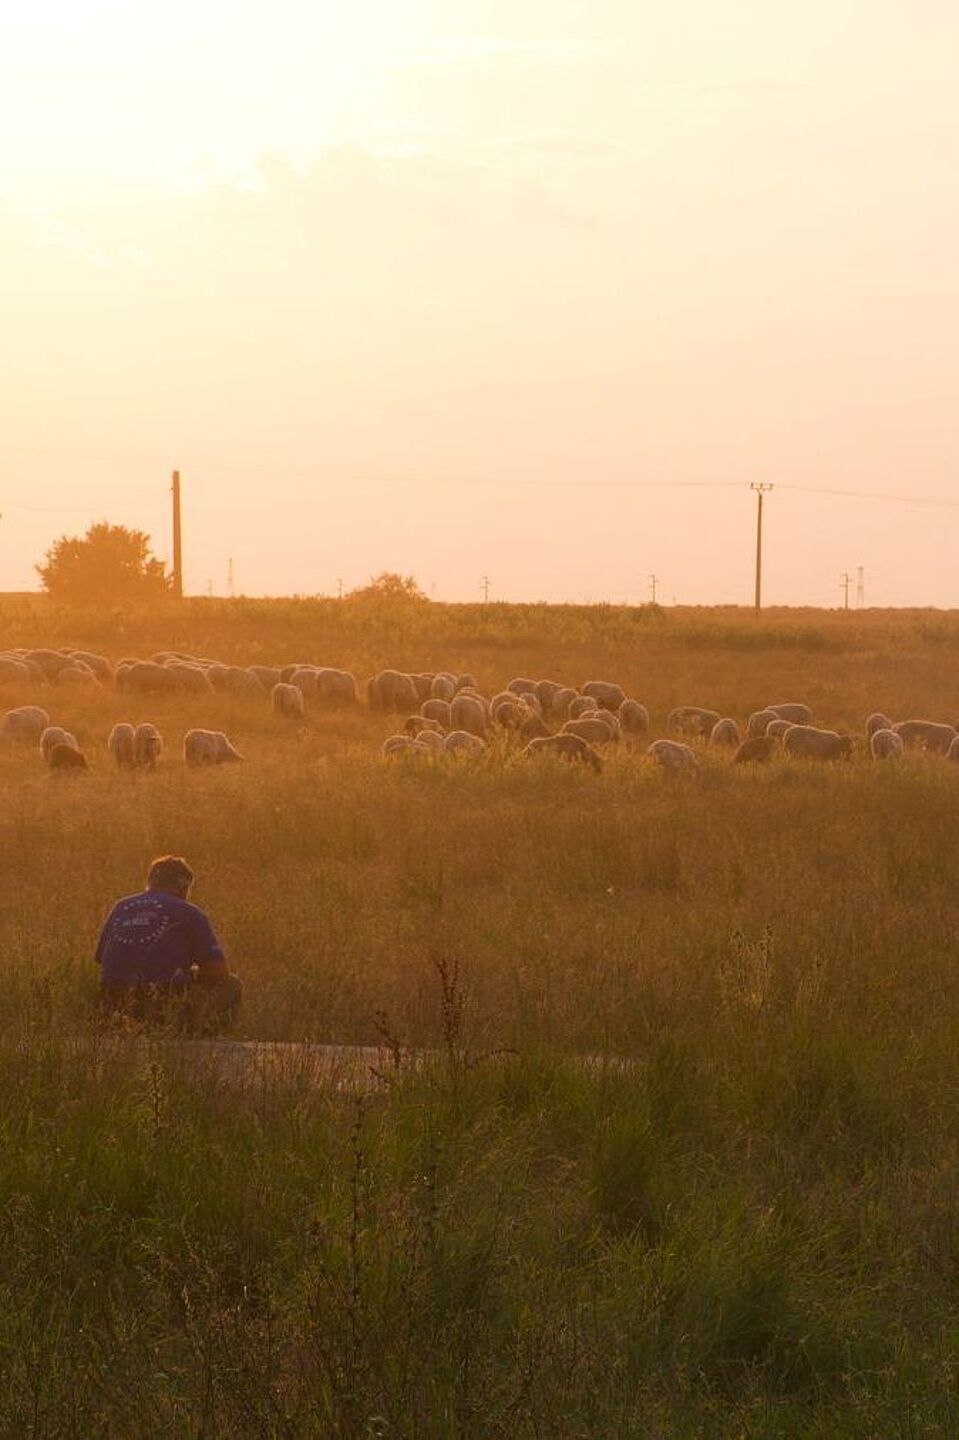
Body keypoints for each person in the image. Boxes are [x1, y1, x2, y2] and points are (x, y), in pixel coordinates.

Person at [95, 855, 241, 1032]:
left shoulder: (120, 907)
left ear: (150, 881)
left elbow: (103, 960)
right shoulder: (189, 912)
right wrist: (192, 974)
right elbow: (218, 973)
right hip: (163, 1003)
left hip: (113, 1002)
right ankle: (200, 1038)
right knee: (232, 985)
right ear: (183, 886)